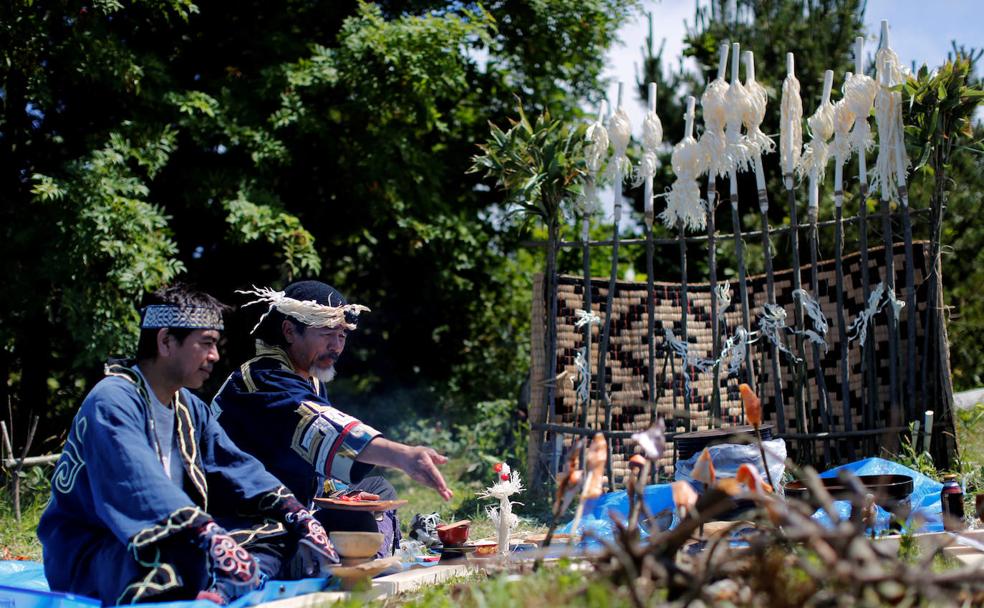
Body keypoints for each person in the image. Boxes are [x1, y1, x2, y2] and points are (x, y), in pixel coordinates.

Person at [38, 286, 339, 606]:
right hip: (99, 548)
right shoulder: (112, 399)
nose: (215, 356)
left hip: (173, 533)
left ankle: (222, 591)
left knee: (276, 531)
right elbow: (139, 482)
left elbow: (237, 467)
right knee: (175, 558)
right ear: (166, 341)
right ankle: (210, 588)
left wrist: (295, 514)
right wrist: (207, 535)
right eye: (206, 343)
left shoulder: (190, 408)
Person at [211, 281, 452, 556]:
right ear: (290, 331)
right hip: (254, 519)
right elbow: (326, 429)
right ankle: (343, 557)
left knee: (377, 490)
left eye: (342, 336)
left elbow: (313, 462)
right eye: (327, 333)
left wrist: (342, 494)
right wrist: (403, 456)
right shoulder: (262, 380)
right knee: (357, 522)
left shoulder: (309, 378)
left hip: (300, 503)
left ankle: (357, 553)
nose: (336, 347)